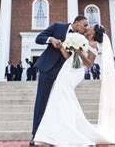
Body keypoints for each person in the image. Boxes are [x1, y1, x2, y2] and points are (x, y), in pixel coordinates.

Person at [33, 24, 115, 146]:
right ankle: (58, 131)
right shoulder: (80, 38)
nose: (88, 28)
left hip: (76, 72)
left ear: (94, 33)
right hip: (67, 68)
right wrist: (63, 47)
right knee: (59, 97)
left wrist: (79, 52)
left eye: (91, 28)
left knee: (62, 94)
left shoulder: (94, 45)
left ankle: (60, 132)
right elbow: (69, 57)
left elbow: (89, 64)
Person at [30, 15, 89, 145]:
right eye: (84, 25)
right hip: (47, 69)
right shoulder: (57, 26)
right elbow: (38, 38)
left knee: (60, 104)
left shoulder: (81, 39)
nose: (86, 28)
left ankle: (56, 136)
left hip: (65, 73)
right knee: (42, 102)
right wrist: (51, 39)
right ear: (77, 22)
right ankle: (36, 136)